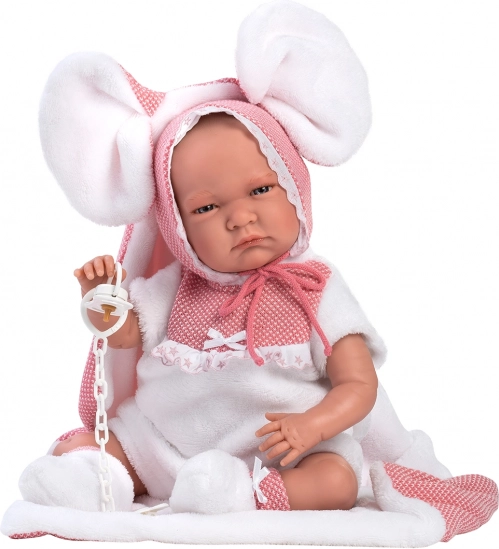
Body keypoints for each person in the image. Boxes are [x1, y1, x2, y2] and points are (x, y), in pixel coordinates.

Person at [25, 109, 383, 513]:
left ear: (295, 189)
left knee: (335, 481)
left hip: (278, 456)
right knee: (83, 446)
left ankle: (245, 495)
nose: (240, 218)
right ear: (178, 227)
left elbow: (358, 384)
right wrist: (103, 299)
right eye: (206, 208)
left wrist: (314, 426)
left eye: (261, 189)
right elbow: (123, 337)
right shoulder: (178, 285)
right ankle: (90, 481)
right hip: (162, 448)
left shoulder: (315, 286)